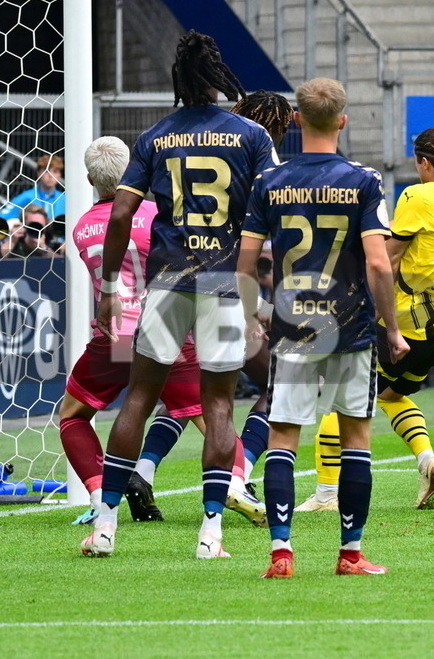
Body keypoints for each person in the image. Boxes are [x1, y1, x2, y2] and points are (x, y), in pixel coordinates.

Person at [80, 30, 275, 560]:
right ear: (217, 77)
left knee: (139, 398)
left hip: (166, 281)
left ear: (177, 78)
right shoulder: (252, 135)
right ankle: (210, 535)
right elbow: (274, 211)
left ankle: (104, 529)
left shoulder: (156, 135)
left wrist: (110, 285)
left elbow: (122, 212)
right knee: (217, 405)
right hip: (225, 283)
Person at [237, 77, 408, 578]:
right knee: (356, 435)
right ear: (343, 120)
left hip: (293, 325)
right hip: (350, 325)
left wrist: (251, 317)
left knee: (283, 436)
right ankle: (350, 555)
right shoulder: (364, 180)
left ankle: (281, 553)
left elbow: (246, 262)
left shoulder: (269, 182)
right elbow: (379, 265)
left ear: (295, 121)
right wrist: (391, 328)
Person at [296, 127, 434, 513]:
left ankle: (327, 494)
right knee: (393, 395)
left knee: (337, 395)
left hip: (405, 320)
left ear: (424, 161)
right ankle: (427, 460)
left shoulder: (417, 195)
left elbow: (389, 258)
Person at [63, 137, 207, 525]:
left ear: (90, 178)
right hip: (165, 330)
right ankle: (233, 485)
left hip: (111, 339)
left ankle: (98, 496)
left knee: (73, 415)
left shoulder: (80, 229)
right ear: (132, 171)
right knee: (212, 417)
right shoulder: (158, 213)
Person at [2, 153, 65, 221]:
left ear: (60, 175)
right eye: (46, 171)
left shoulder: (64, 200)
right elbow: (2, 219)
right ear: (38, 173)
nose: (50, 175)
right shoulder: (26, 197)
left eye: (55, 171)